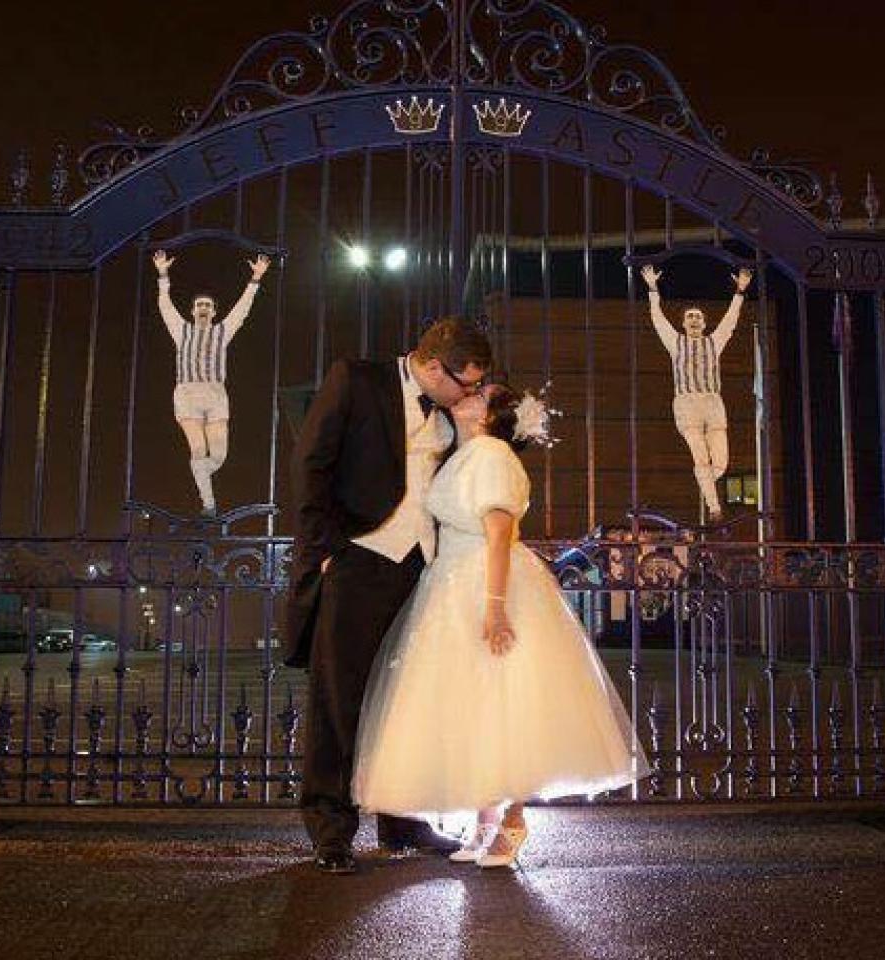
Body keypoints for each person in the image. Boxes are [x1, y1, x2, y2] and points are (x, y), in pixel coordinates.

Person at [352, 383, 649, 869]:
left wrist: (493, 606)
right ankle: (485, 821)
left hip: (482, 582)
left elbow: (498, 534)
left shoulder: (490, 454)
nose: (466, 394)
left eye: (479, 395)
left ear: (490, 417)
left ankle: (511, 819)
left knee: (502, 700)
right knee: (475, 706)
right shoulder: (465, 453)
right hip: (450, 582)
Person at [284, 317, 493, 875]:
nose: (468, 394)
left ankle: (400, 818)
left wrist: (480, 420)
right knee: (340, 698)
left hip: (422, 567)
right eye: (463, 383)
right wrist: (324, 552)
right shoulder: (355, 379)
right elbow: (311, 464)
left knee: (405, 698)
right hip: (358, 559)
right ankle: (331, 828)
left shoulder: (451, 407)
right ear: (429, 366)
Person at [152, 249, 271, 516]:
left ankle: (201, 476)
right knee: (197, 449)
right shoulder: (181, 330)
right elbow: (165, 305)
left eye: (208, 305)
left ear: (215, 311)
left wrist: (255, 279)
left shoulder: (222, 331)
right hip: (187, 393)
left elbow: (242, 310)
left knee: (217, 457)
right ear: (192, 311)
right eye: (199, 305)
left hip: (215, 394)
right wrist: (162, 274)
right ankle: (209, 504)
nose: (203, 308)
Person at [640, 263, 753, 521]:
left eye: (698, 316)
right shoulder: (675, 342)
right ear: (682, 322)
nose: (693, 319)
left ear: (703, 323)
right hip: (687, 403)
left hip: (713, 402)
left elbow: (730, 321)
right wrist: (652, 288)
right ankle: (714, 507)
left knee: (721, 463)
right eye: (689, 316)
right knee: (700, 456)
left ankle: (703, 481)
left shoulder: (714, 341)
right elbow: (657, 319)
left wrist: (739, 291)